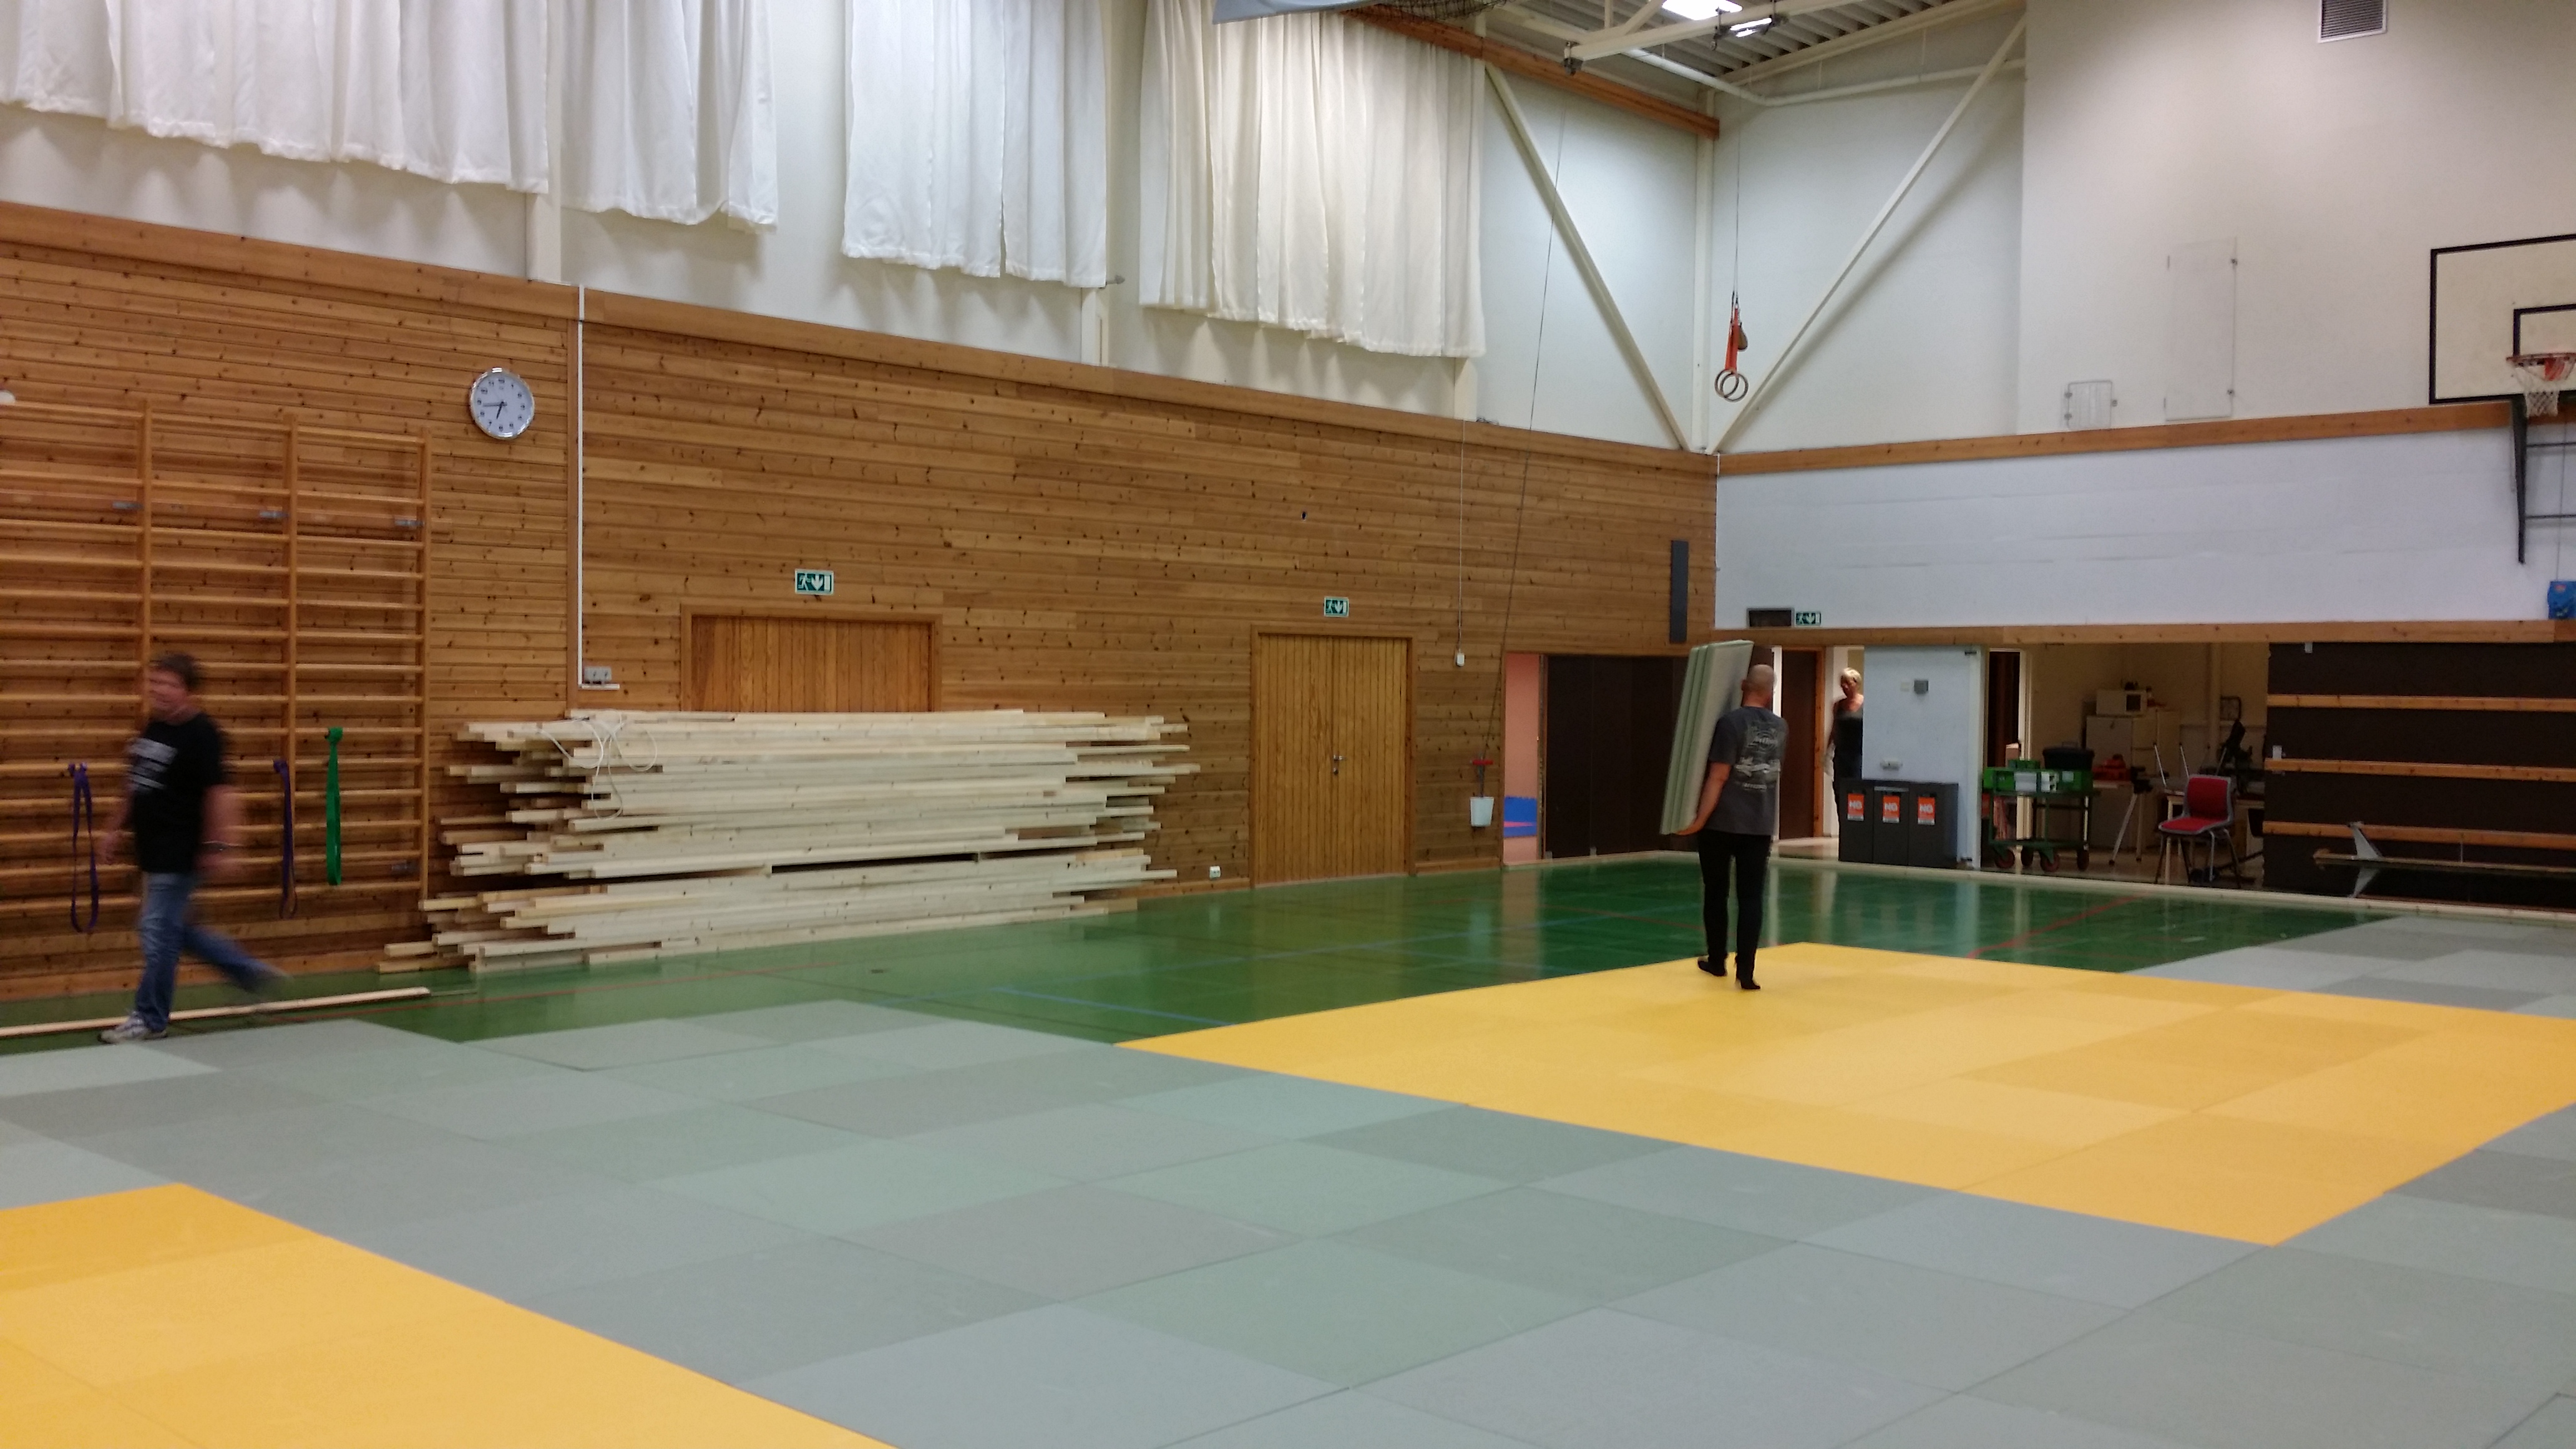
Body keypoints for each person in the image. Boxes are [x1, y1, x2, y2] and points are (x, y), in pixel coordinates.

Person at [97, 652, 283, 1043]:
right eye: (155, 682)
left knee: (156, 931)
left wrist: (220, 846)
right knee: (176, 929)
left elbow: (221, 793)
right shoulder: (152, 728)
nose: (159, 690)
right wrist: (114, 829)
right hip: (151, 851)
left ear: (189, 691)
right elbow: (135, 785)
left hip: (180, 851)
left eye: (169, 684)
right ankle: (246, 971)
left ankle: (150, 1017)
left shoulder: (203, 734)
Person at [1679, 663, 1785, 990]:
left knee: (1716, 892)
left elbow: (1719, 776)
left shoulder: (1730, 723)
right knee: (1752, 897)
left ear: (1742, 685)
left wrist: (1698, 820)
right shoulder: (1781, 727)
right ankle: (1747, 971)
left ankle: (1717, 960)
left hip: (1722, 822)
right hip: (1760, 822)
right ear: (1771, 692)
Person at [1830, 666, 1864, 801]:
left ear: (1856, 683)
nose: (1845, 686)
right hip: (1841, 756)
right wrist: (1827, 753)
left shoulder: (1866, 704)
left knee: (1857, 794)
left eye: (1848, 683)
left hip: (1859, 755)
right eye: (1842, 683)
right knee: (1840, 793)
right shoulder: (1838, 705)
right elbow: (1834, 729)